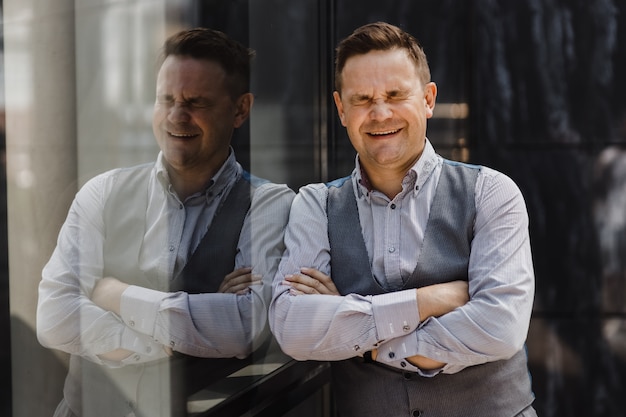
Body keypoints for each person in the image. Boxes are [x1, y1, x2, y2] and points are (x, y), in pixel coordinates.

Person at [269, 22, 536, 417]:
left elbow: (500, 328)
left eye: (395, 95)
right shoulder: (315, 205)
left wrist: (360, 336)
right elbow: (293, 328)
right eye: (362, 99)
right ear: (341, 109)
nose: (380, 113)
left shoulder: (491, 192)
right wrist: (429, 300)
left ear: (428, 99)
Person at [37, 28, 294, 417]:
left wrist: (113, 295)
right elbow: (54, 315)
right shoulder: (102, 192)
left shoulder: (269, 204)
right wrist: (170, 339)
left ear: (240, 109)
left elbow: (245, 325)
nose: (177, 116)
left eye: (195, 102)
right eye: (166, 99)